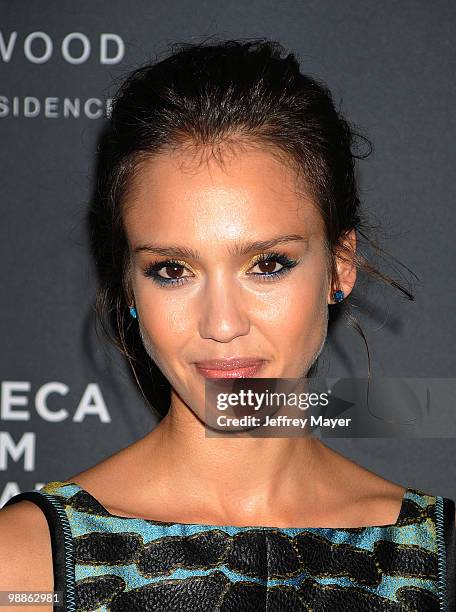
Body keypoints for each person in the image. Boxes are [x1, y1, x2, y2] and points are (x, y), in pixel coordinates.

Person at [1, 38, 454, 612]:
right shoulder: (25, 568)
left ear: (340, 268)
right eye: (172, 269)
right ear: (128, 286)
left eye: (267, 265)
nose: (221, 324)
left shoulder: (438, 561)